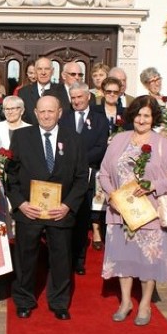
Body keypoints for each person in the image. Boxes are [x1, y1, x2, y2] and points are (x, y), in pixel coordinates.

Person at [97, 95, 167, 326]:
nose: (142, 119)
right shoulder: (119, 139)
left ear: (153, 117)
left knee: (148, 262)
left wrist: (153, 186)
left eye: (146, 115)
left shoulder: (162, 143)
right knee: (124, 259)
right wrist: (111, 195)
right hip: (120, 212)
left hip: (150, 214)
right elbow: (104, 172)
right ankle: (125, 302)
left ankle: (144, 304)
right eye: (138, 114)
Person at [6, 95, 87, 320]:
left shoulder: (74, 139)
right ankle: (23, 300)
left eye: (50, 111)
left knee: (61, 259)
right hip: (29, 210)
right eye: (41, 111)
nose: (46, 115)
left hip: (59, 212)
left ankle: (59, 302)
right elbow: (10, 176)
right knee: (25, 258)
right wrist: (20, 204)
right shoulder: (22, 137)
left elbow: (82, 178)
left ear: (60, 112)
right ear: (35, 112)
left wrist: (68, 206)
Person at [59, 82, 109, 275]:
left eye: (80, 97)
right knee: (67, 220)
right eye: (73, 98)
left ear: (88, 97)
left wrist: (79, 161)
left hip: (88, 176)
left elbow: (101, 147)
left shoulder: (100, 120)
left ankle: (79, 260)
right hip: (67, 178)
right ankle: (65, 259)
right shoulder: (64, 119)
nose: (77, 101)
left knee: (82, 221)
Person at [17, 57, 57, 124]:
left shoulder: (62, 91)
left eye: (47, 69)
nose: (43, 72)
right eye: (40, 69)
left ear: (52, 71)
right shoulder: (23, 92)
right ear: (35, 71)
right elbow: (21, 118)